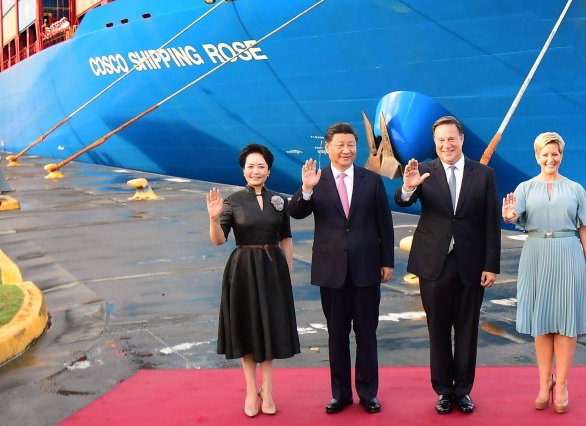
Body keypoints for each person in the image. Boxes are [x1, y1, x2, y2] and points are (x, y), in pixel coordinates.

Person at [396, 116, 500, 415]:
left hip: (470, 262)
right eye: (440, 140)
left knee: (467, 330)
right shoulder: (424, 171)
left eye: (451, 138)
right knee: (437, 329)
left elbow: (491, 223)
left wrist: (491, 265)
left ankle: (463, 391)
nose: (446, 145)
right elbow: (403, 201)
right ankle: (443, 390)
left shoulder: (484, 174)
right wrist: (407, 188)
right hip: (433, 262)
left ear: (462, 139)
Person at [289, 123, 395, 415]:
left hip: (366, 268)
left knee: (367, 334)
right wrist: (306, 189)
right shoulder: (316, 180)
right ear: (327, 148)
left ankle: (368, 393)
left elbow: (385, 225)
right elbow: (295, 212)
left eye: (351, 144)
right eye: (340, 145)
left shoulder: (371, 180)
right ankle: (341, 395)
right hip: (331, 270)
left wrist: (387, 261)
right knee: (336, 336)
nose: (346, 150)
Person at [501, 132, 586, 415]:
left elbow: (585, 228)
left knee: (567, 321)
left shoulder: (576, 189)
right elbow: (512, 215)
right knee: (541, 321)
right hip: (535, 253)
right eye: (544, 154)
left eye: (554, 154)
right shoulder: (525, 188)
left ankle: (564, 384)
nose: (550, 159)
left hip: (569, 253)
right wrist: (508, 215)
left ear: (561, 156)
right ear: (536, 156)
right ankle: (545, 383)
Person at [206, 143, 300, 417]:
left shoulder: (279, 201)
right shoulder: (232, 201)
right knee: (247, 330)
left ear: (269, 171)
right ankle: (250, 390)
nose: (255, 171)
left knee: (270, 330)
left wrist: (288, 273)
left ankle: (267, 390)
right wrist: (213, 220)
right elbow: (218, 240)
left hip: (273, 271)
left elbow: (286, 239)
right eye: (250, 167)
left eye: (261, 166)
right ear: (243, 171)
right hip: (243, 270)